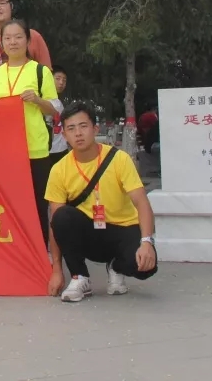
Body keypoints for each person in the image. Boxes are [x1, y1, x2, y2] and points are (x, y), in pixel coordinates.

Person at [45, 103, 158, 302]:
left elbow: (142, 202)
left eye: (83, 126)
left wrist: (147, 242)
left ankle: (116, 266)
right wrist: (56, 270)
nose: (78, 133)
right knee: (61, 217)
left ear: (95, 129)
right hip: (91, 234)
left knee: (145, 266)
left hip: (124, 228)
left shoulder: (119, 159)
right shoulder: (59, 169)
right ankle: (79, 276)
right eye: (71, 128)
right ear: (64, 135)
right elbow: (55, 224)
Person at [0, 19, 59, 245]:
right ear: (1, 43)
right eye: (7, 38)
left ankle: (40, 252)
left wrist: (37, 100)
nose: (13, 42)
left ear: (28, 41)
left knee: (37, 205)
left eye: (18, 37)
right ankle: (14, 252)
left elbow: (56, 109)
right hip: (4, 152)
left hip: (34, 149)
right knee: (8, 205)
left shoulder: (40, 71)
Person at [49, 67, 69, 164]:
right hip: (48, 151)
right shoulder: (42, 100)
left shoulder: (58, 101)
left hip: (61, 148)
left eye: (64, 80)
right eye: (58, 78)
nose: (61, 83)